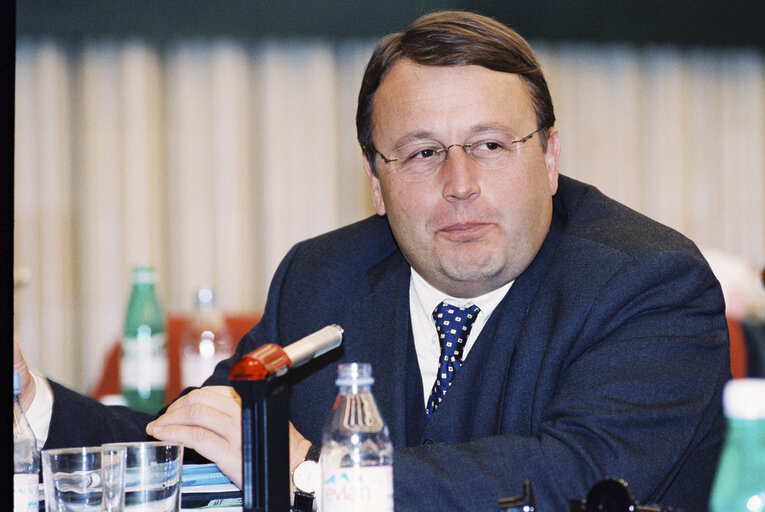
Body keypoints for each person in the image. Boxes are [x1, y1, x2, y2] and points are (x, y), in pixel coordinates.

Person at [15, 10, 730, 511]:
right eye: (421, 152)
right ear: (375, 181)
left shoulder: (647, 282)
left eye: (488, 144)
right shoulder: (323, 276)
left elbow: (572, 476)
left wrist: (316, 475)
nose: (458, 185)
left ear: (547, 157)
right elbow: (201, 439)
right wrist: (30, 401)